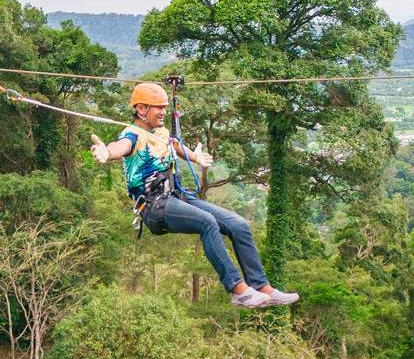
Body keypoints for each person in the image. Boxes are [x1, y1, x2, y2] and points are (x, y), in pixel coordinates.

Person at [90, 82, 298, 308]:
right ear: (141, 109)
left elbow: (174, 146)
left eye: (164, 107)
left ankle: (261, 287)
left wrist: (195, 157)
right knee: (207, 222)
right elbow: (119, 146)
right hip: (154, 206)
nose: (163, 112)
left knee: (238, 224)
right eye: (157, 108)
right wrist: (106, 152)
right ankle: (238, 290)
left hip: (176, 195)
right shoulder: (132, 135)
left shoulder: (160, 132)